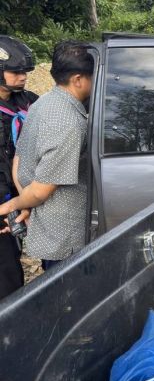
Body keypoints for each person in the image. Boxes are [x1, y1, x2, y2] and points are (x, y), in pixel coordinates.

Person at [0, 41, 94, 270]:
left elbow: (18, 158)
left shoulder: (41, 102)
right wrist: (14, 204)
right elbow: (42, 190)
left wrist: (25, 199)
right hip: (63, 237)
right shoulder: (67, 122)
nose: (22, 77)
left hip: (48, 225)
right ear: (78, 79)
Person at [0, 36, 37, 299]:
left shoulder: (27, 101)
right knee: (7, 273)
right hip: (4, 201)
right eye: (16, 71)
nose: (22, 76)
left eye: (24, 72)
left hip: (23, 195)